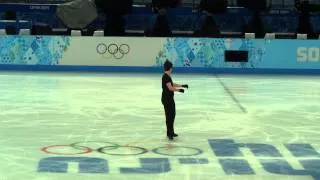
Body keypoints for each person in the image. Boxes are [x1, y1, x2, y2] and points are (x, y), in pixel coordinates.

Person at [162, 60, 188, 140]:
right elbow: (170, 88)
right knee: (169, 116)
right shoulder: (166, 76)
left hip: (169, 98)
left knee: (172, 115)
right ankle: (169, 133)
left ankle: (171, 132)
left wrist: (182, 85)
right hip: (167, 99)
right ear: (170, 68)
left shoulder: (167, 76)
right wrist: (179, 90)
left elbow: (172, 84)